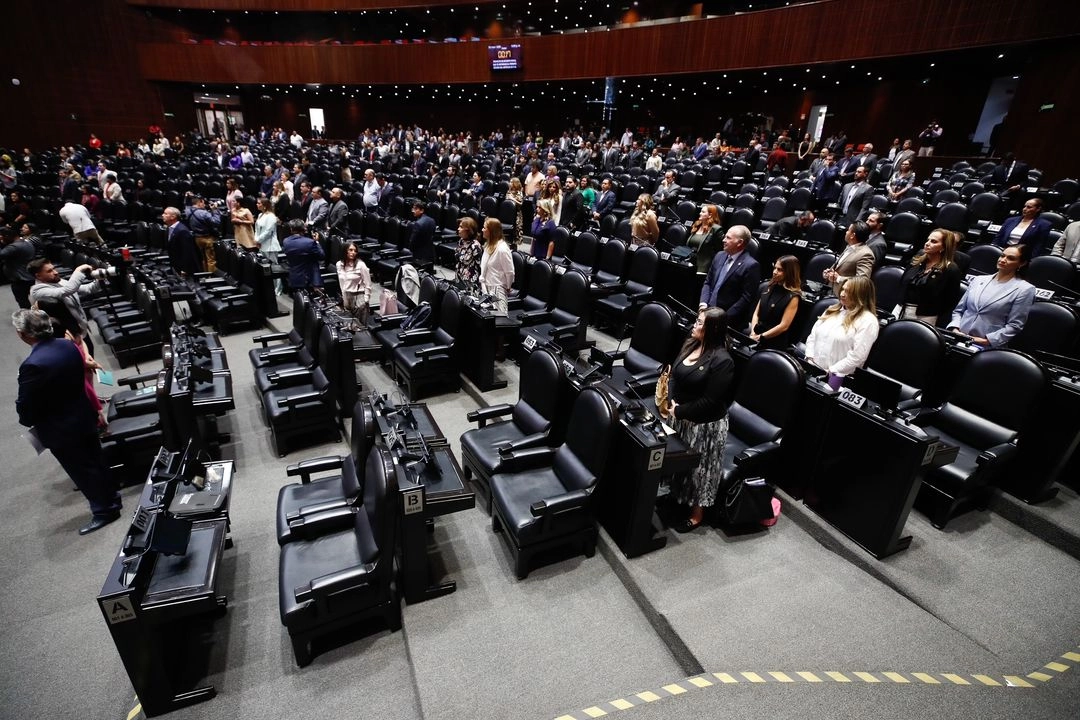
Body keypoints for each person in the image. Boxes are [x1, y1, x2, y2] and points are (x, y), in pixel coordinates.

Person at [13, 309, 121, 535]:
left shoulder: (32, 365)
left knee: (82, 469)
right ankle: (112, 499)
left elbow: (26, 405)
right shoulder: (67, 345)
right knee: (96, 460)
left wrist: (26, 418)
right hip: (83, 413)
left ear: (22, 334)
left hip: (61, 427)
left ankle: (104, 511)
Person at [665, 307, 735, 532]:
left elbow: (710, 401)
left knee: (700, 471)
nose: (695, 325)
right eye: (697, 320)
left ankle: (697, 514)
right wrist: (671, 400)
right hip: (681, 415)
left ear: (712, 329)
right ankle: (676, 497)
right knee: (679, 465)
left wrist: (679, 411)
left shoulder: (723, 361)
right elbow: (675, 373)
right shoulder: (690, 343)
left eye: (700, 322)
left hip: (706, 427)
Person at [947, 244, 1035, 349]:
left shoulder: (1025, 289)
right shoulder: (978, 280)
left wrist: (986, 341)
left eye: (1010, 258)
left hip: (987, 346)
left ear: (1022, 263)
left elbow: (1014, 325)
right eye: (1002, 256)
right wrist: (955, 329)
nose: (1003, 260)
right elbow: (959, 310)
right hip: (958, 338)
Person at [804, 275, 880, 389]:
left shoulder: (868, 321)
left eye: (849, 291)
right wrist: (809, 358)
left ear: (861, 295)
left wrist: (831, 371)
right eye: (843, 289)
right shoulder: (832, 309)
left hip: (838, 378)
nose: (842, 294)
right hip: (812, 368)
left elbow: (857, 357)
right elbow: (813, 336)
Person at [28, 258, 104, 358]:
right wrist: (78, 271)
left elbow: (88, 289)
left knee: (89, 358)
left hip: (80, 329)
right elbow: (68, 290)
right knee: (77, 365)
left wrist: (102, 278)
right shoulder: (37, 291)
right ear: (38, 276)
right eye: (49, 271)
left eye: (54, 268)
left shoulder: (58, 281)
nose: (55, 272)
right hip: (65, 336)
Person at [698, 225, 761, 332]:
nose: (723, 240)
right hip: (707, 314)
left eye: (728, 238)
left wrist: (723, 318)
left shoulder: (751, 265)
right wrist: (703, 304)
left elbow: (746, 298)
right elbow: (708, 282)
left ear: (740, 242)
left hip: (729, 322)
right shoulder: (719, 256)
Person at [898, 228, 963, 325]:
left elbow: (950, 300)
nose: (927, 243)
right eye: (928, 240)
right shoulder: (916, 260)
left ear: (944, 247)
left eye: (934, 241)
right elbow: (902, 282)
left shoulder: (951, 270)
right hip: (901, 309)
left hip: (926, 316)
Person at [750, 255, 802, 350]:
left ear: (789, 273)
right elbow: (756, 313)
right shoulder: (768, 286)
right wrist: (753, 332)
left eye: (780, 270)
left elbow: (783, 326)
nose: (774, 272)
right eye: (775, 268)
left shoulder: (793, 297)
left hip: (774, 342)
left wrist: (761, 336)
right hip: (757, 335)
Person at [823, 220, 875, 297]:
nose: (846, 232)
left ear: (852, 235)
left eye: (848, 230)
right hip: (831, 291)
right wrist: (829, 273)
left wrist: (839, 278)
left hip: (845, 296)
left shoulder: (866, 254)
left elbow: (862, 280)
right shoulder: (849, 246)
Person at [480, 217, 515, 316]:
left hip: (497, 289)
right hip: (486, 287)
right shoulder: (488, 245)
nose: (482, 230)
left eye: (484, 228)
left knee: (499, 318)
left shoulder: (502, 249)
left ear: (491, 231)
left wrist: (508, 287)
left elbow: (510, 272)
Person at [281, 218, 325, 290]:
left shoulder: (286, 241)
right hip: (310, 280)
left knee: (298, 300)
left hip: (294, 278)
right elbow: (322, 256)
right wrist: (316, 242)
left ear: (291, 229)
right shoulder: (310, 243)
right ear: (304, 229)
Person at [184, 194, 222, 272]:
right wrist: (215, 210)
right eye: (203, 203)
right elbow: (217, 222)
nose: (204, 205)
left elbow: (186, 204)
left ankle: (205, 274)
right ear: (200, 202)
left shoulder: (187, 211)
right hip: (207, 238)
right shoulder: (203, 213)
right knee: (211, 260)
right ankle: (210, 278)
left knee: (203, 258)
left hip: (197, 238)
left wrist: (186, 197)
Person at [0, 227, 36, 308]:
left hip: (21, 279)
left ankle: (28, 319)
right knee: (34, 299)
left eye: (2, 237)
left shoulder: (14, 247)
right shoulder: (26, 242)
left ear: (7, 236)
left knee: (23, 302)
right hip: (29, 275)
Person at [336, 242, 372, 322]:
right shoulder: (339, 264)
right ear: (345, 251)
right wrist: (344, 296)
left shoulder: (361, 265)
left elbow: (368, 284)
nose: (353, 253)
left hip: (359, 295)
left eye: (355, 251)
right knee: (349, 322)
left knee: (360, 325)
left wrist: (365, 300)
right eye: (351, 250)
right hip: (346, 294)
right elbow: (341, 282)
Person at [254, 198, 283, 294]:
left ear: (265, 205)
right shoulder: (260, 215)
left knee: (274, 268)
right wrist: (256, 240)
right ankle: (268, 288)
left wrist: (258, 240)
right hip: (261, 245)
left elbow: (268, 232)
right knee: (265, 268)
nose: (257, 204)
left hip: (270, 245)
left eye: (259, 203)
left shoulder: (271, 216)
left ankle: (277, 290)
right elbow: (257, 230)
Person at [162, 206, 200, 277]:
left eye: (165, 214)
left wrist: (185, 269)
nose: (162, 215)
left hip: (185, 269)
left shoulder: (182, 231)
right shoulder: (168, 229)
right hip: (175, 266)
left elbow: (187, 252)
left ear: (173, 217)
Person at [687, 205, 723, 273]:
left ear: (710, 215)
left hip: (704, 266)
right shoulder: (697, 225)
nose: (700, 213)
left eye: (703, 212)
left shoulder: (716, 229)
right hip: (689, 263)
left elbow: (719, 251)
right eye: (701, 211)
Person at [506, 177, 525, 242]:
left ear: (515, 183)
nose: (509, 183)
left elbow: (520, 203)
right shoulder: (509, 191)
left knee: (516, 232)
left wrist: (512, 199)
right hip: (508, 213)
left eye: (511, 182)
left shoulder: (519, 192)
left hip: (516, 214)